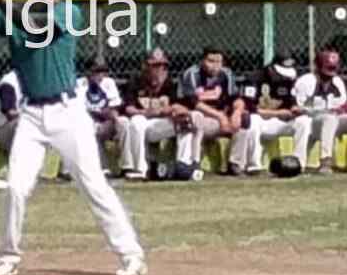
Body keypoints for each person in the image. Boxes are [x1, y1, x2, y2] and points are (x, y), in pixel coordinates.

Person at [0, 0, 147, 275]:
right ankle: (7, 257)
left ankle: (131, 255)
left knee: (93, 185)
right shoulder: (15, 14)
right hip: (31, 114)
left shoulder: (67, 11)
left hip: (68, 111)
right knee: (15, 188)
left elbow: (35, 24)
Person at [234, 52, 313, 174]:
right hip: (263, 121)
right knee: (251, 120)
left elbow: (292, 103)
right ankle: (254, 166)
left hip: (282, 121)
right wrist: (277, 113)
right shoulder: (255, 78)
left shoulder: (290, 80)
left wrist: (296, 109)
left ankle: (298, 164)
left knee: (304, 122)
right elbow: (249, 108)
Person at [176, 47, 246, 179]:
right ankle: (193, 164)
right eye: (211, 61)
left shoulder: (226, 74)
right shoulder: (192, 73)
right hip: (201, 118)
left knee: (244, 120)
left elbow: (236, 98)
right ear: (202, 61)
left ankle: (235, 164)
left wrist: (237, 113)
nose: (215, 65)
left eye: (218, 62)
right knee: (197, 118)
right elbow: (194, 103)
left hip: (221, 119)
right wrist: (220, 117)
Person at [119, 48, 184, 180]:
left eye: (163, 65)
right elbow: (129, 109)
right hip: (143, 122)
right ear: (145, 66)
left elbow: (179, 106)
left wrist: (171, 109)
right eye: (155, 65)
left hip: (162, 123)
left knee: (186, 122)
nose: (160, 69)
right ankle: (141, 170)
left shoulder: (170, 83)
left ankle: (185, 167)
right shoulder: (135, 81)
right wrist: (146, 112)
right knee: (136, 121)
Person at [76, 57, 127, 175]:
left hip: (107, 122)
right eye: (96, 71)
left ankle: (128, 167)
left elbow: (114, 109)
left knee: (124, 122)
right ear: (88, 72)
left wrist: (109, 117)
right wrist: (101, 113)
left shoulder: (109, 83)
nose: (100, 75)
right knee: (87, 127)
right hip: (89, 121)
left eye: (103, 71)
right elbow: (79, 110)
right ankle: (101, 167)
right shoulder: (80, 84)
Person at [0, 69, 22, 189]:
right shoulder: (8, 83)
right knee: (23, 124)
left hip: (19, 127)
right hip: (3, 130)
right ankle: (6, 173)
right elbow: (10, 113)